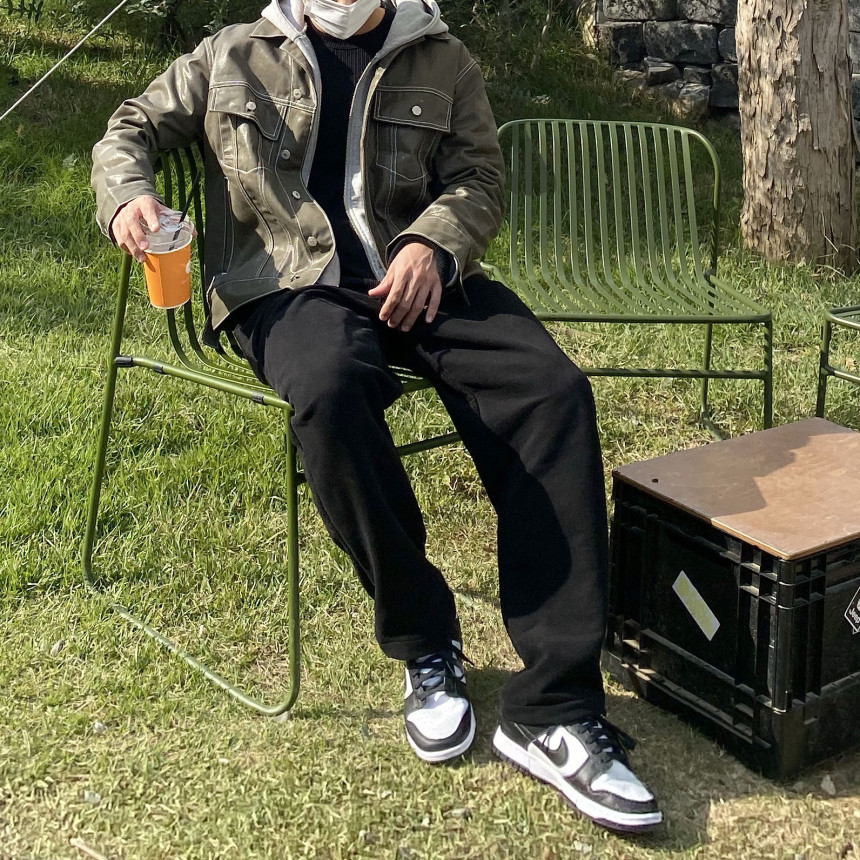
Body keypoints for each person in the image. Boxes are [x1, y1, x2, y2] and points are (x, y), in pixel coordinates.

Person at [91, 0, 662, 833]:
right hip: (287, 287)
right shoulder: (230, 54)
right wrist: (126, 197)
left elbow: (479, 177)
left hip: (419, 281)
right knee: (329, 388)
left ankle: (556, 708)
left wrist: (434, 242)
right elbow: (130, 126)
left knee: (551, 390)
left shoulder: (441, 56)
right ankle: (424, 638)